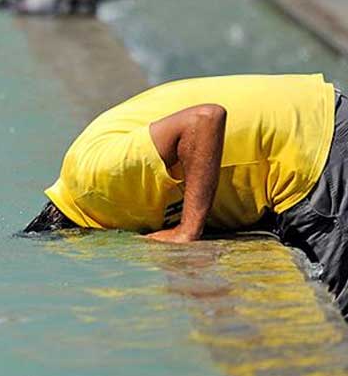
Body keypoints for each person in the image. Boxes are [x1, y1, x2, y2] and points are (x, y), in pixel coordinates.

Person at [25, 74, 348, 315]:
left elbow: (205, 119)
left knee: (336, 311)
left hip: (312, 144)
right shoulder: (93, 187)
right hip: (305, 127)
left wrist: (187, 230)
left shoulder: (95, 181)